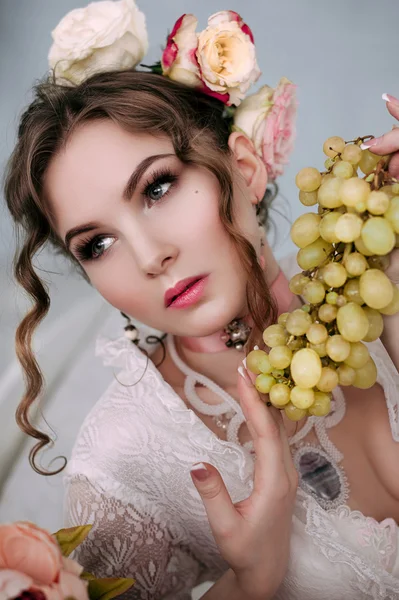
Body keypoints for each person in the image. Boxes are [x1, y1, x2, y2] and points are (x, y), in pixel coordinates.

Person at [3, 2, 399, 599]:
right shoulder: (123, 466)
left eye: (157, 187)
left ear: (242, 168)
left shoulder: (372, 274)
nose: (147, 256)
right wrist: (250, 583)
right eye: (97, 243)